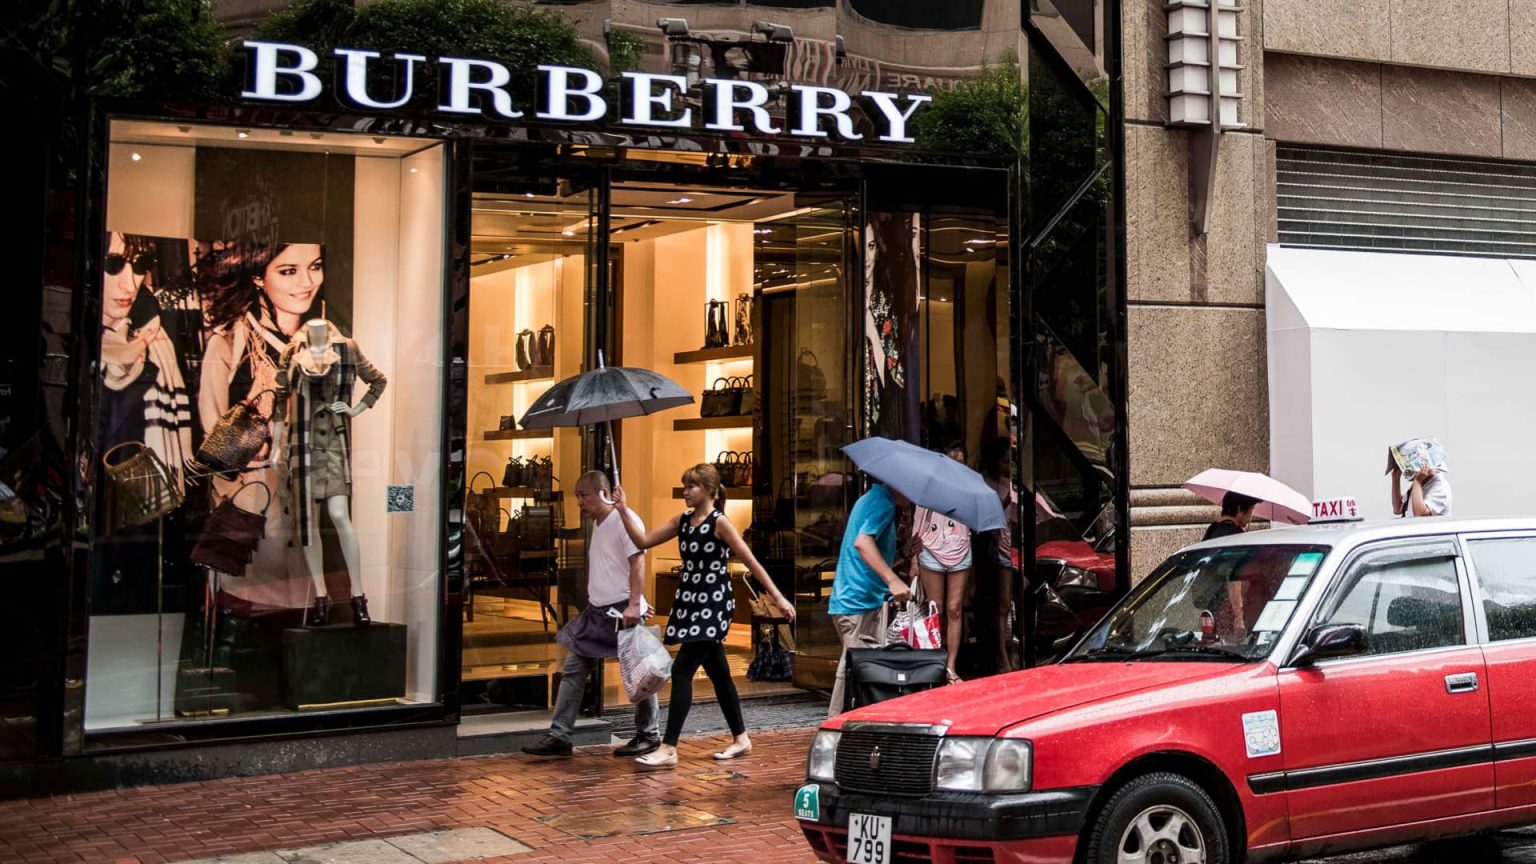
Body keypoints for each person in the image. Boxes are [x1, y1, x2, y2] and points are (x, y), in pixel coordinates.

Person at [612, 464, 796, 768]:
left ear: (709, 490)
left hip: (713, 602)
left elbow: (751, 561)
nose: (685, 492)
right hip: (690, 600)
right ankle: (741, 738)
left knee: (682, 670)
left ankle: (668, 747)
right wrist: (622, 510)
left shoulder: (720, 522)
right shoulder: (682, 520)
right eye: (685, 486)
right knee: (719, 674)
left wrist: (778, 597)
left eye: (691, 486)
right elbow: (643, 541)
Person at [198, 242, 325, 610]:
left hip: (308, 520)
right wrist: (258, 430)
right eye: (288, 271)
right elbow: (216, 453)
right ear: (258, 277)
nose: (306, 282)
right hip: (253, 521)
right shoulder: (231, 344)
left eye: (315, 266)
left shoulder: (327, 343)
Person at [523, 471, 660, 759]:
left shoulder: (625, 519)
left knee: (638, 671)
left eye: (583, 495)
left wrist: (635, 603)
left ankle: (649, 734)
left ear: (603, 494)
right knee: (574, 668)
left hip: (621, 610)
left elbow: (638, 562)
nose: (579, 502)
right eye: (578, 496)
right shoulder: (599, 523)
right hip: (598, 610)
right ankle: (560, 735)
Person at [828, 480, 911, 717]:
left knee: (857, 666)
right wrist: (892, 580)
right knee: (857, 667)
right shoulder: (883, 503)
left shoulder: (871, 499)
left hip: (856, 599)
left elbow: (871, 554)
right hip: (859, 602)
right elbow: (863, 543)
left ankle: (847, 722)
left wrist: (904, 553)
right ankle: (836, 724)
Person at [908, 443, 971, 684]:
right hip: (931, 549)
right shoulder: (928, 488)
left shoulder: (969, 488)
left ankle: (951, 667)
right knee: (936, 609)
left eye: (960, 461)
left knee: (955, 609)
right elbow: (918, 524)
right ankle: (935, 665)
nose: (956, 465)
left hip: (961, 548)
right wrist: (914, 559)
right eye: (952, 459)